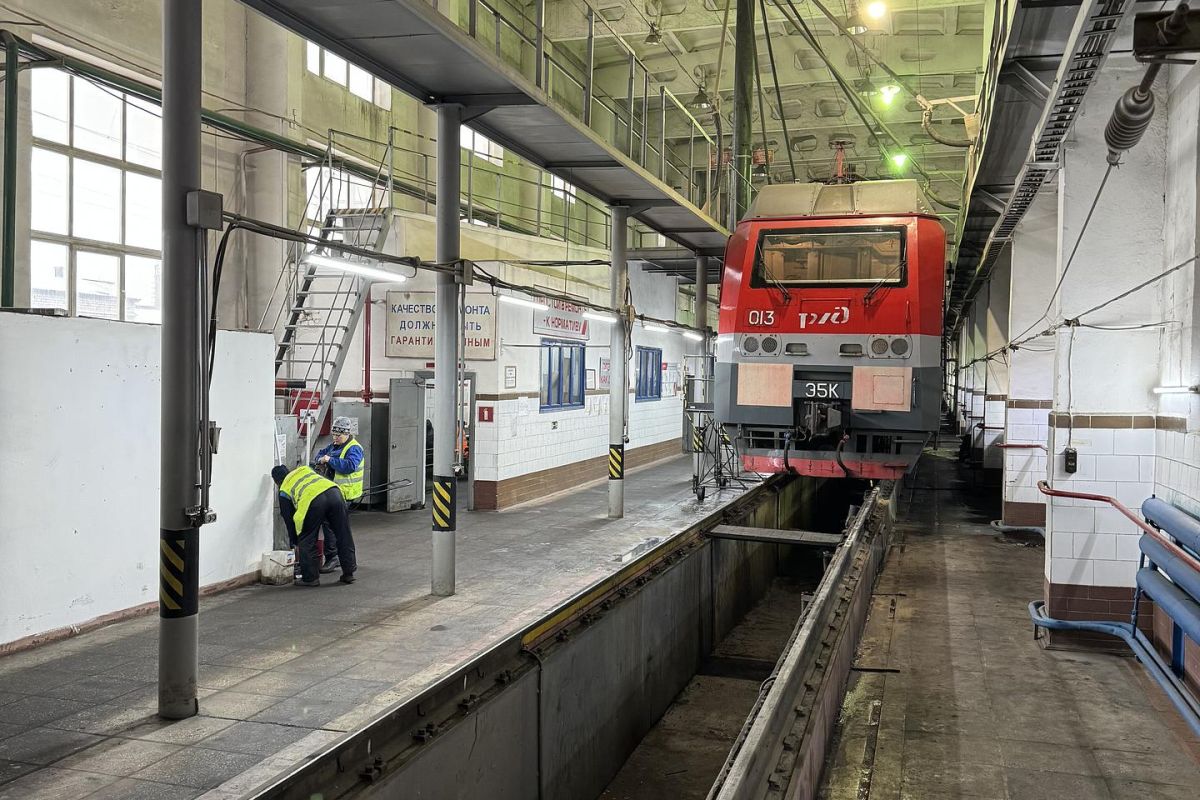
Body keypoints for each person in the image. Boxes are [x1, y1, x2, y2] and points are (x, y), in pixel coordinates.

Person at [271, 464, 357, 586]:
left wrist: (295, 540)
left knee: (307, 539)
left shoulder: (284, 489)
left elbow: (289, 519)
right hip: (334, 492)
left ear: (276, 482)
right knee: (343, 533)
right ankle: (349, 573)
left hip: (314, 501)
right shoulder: (304, 470)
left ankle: (310, 578)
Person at [313, 416, 365, 574]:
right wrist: (321, 459)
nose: (335, 438)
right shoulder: (334, 446)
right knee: (332, 524)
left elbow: (349, 466)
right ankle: (339, 557)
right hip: (333, 493)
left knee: (331, 524)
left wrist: (329, 460)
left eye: (338, 435)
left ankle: (334, 557)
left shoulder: (354, 448)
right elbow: (319, 455)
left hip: (346, 493)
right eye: (333, 435)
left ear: (347, 433)